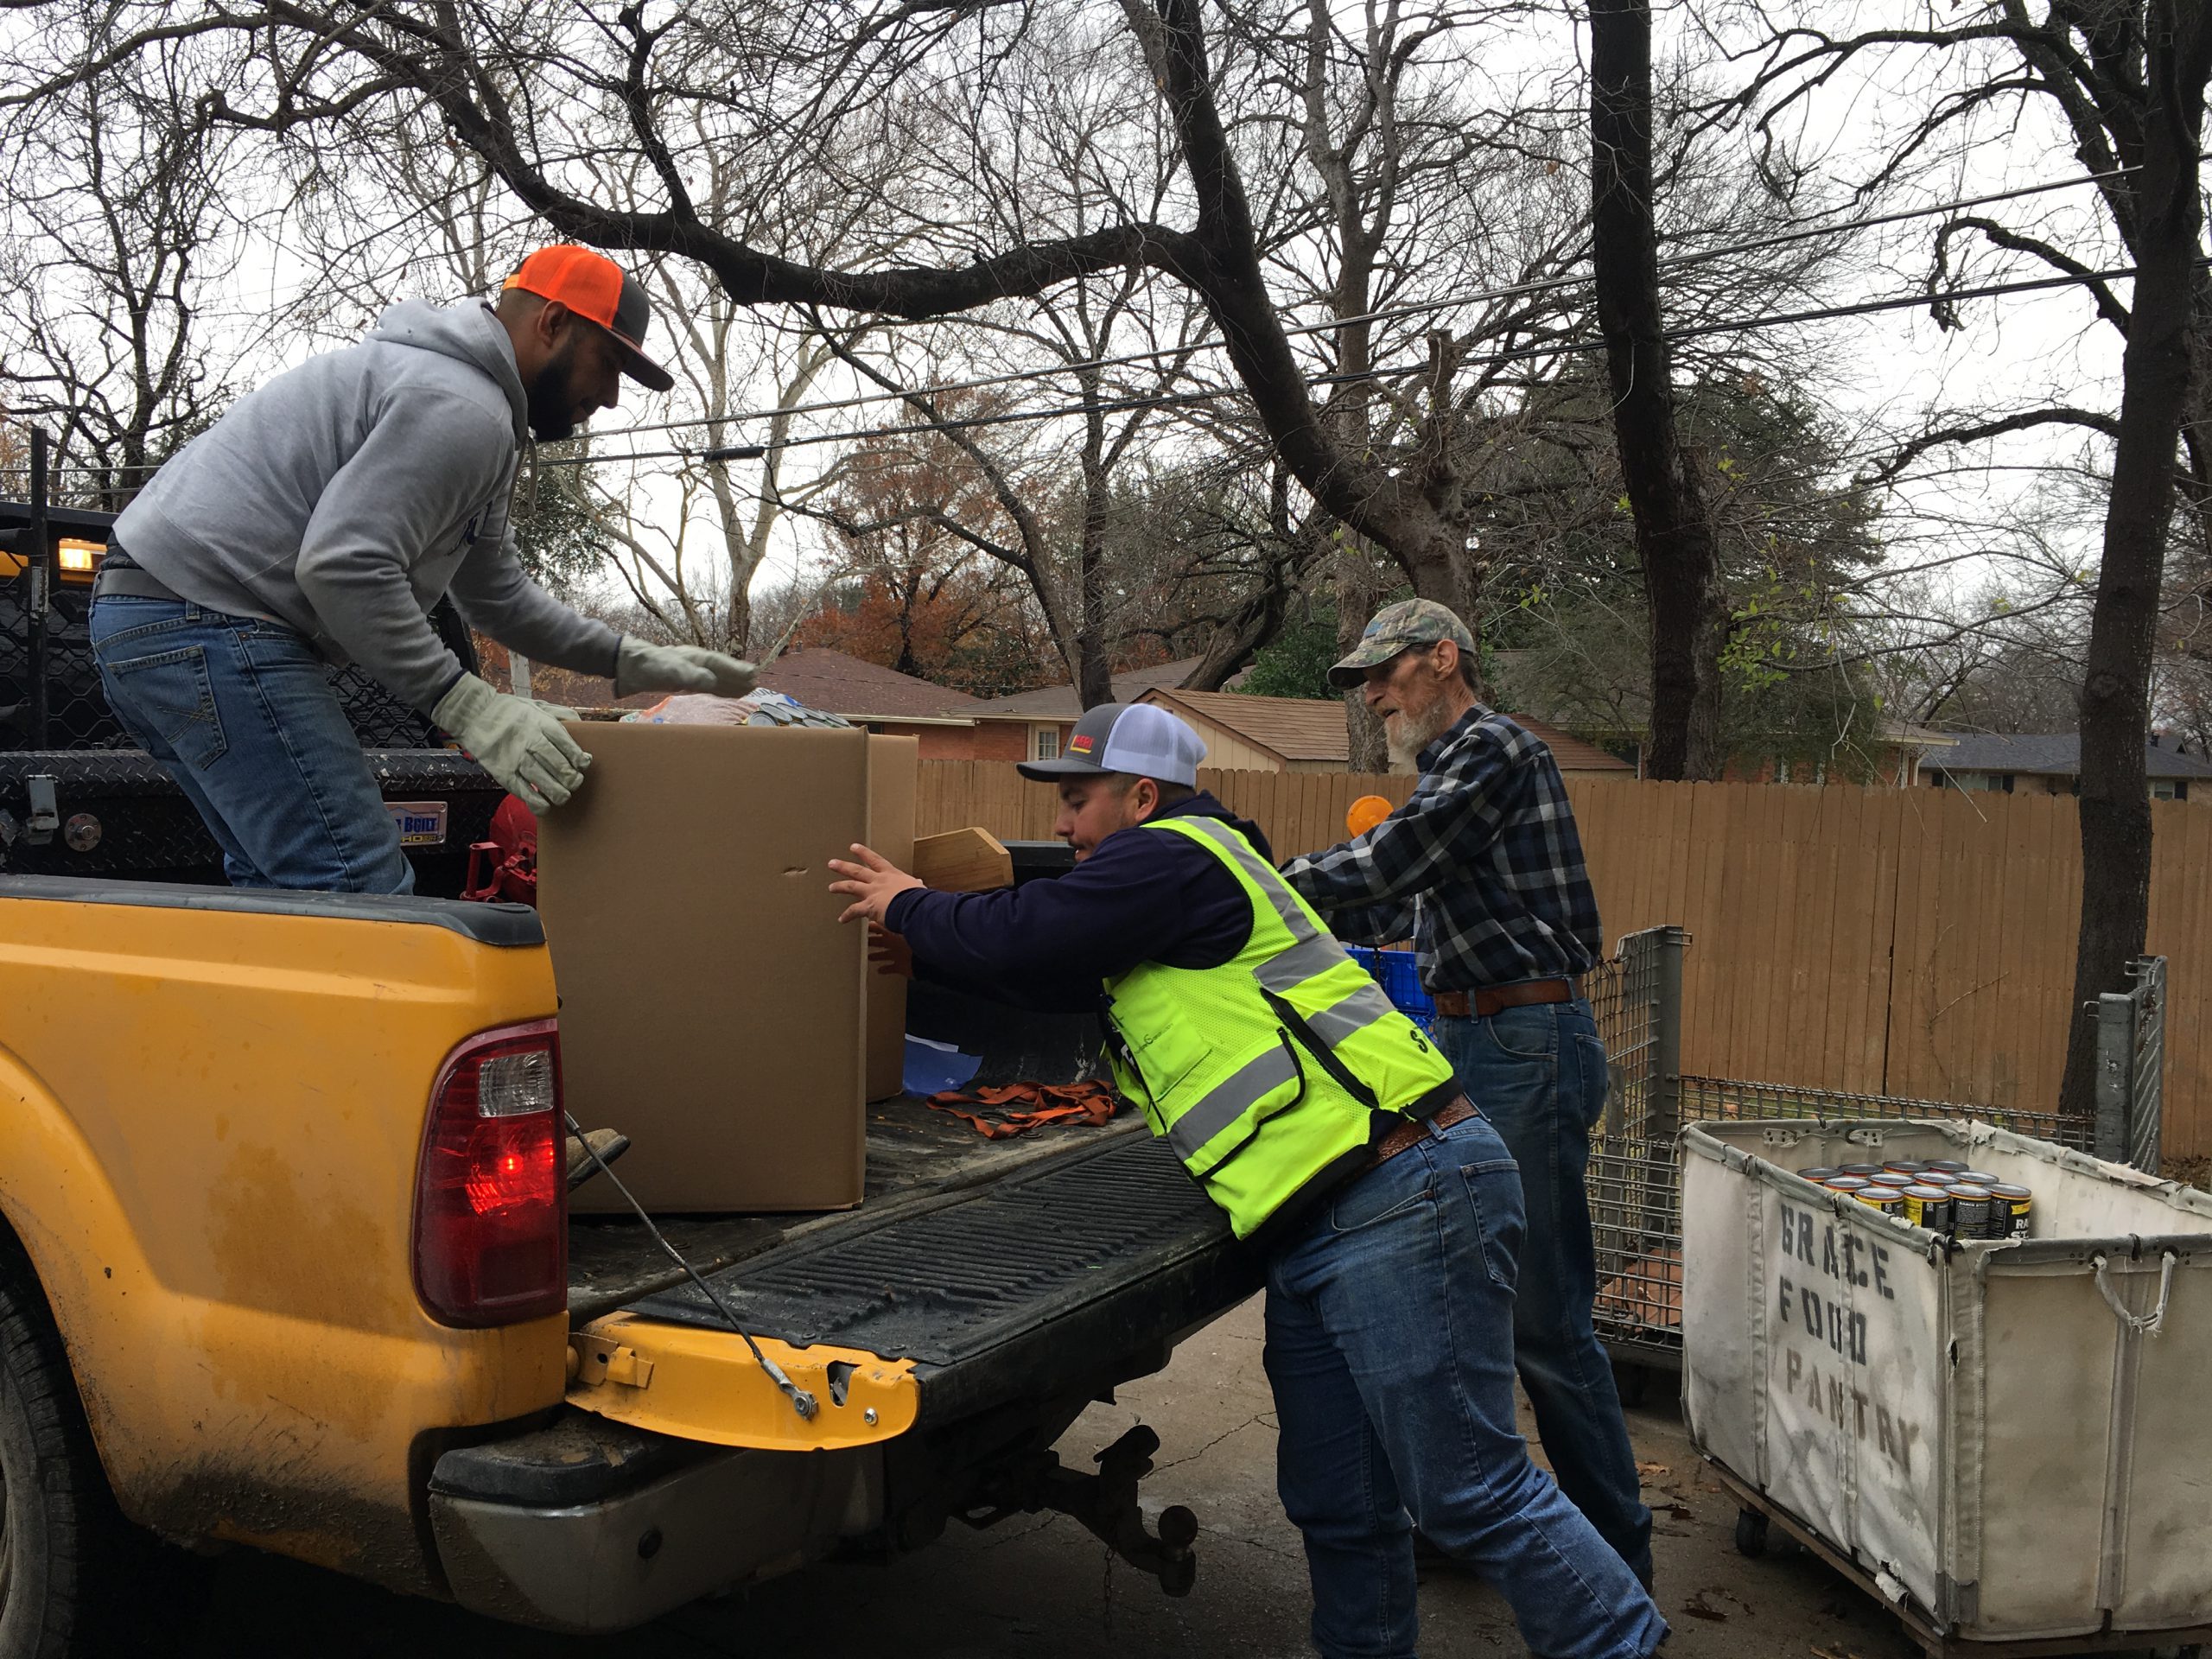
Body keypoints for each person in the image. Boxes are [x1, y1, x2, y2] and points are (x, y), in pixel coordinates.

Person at [829, 701, 1665, 1659]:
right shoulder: (1176, 885)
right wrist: (935, 952)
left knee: (1469, 1491)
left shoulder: (1174, 854)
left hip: (1397, 1193)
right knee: (1339, 1501)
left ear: (1142, 797)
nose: (1062, 824)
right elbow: (1055, 972)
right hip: (1318, 1222)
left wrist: (907, 902)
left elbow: (1030, 930)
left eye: (1077, 799)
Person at [88, 244, 755, 893]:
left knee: (284, 886)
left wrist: (623, 658)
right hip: (205, 621)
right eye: (608, 364)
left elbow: (497, 595)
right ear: (552, 323)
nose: (610, 397)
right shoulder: (463, 408)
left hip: (151, 615)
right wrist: (465, 704)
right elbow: (344, 567)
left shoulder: (470, 406)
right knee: (356, 882)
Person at [1278, 598, 1654, 1589]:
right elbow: (1405, 900)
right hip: (1472, 1035)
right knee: (1468, 1303)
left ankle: (1618, 1569)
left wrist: (1264, 885)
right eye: (1364, 679)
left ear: (1443, 658)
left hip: (1523, 1042)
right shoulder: (1453, 774)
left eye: (1385, 671)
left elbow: (1395, 859)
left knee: (1545, 1324)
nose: (1372, 694)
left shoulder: (1494, 750)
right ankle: (1475, 1513)